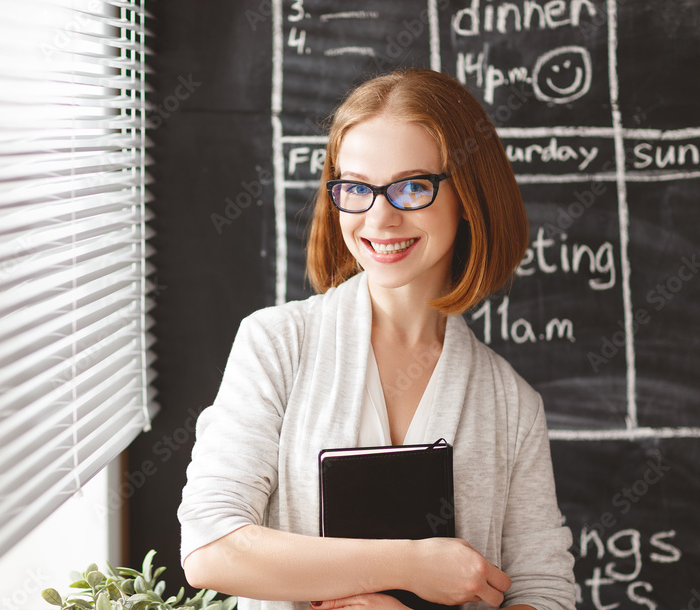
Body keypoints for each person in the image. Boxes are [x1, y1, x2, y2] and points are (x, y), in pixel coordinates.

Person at [177, 69, 576, 610]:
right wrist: (409, 566)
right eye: (357, 188)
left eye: (413, 186)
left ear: (468, 195)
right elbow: (211, 547)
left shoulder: (512, 405)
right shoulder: (276, 344)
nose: (380, 218)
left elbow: (545, 593)